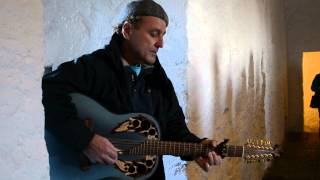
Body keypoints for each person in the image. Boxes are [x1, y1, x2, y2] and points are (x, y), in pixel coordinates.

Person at [42, 0, 222, 179]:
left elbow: (174, 129)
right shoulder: (94, 67)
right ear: (127, 30)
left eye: (163, 35)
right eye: (154, 34)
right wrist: (85, 140)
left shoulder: (159, 80)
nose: (161, 43)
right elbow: (47, 90)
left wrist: (198, 146)